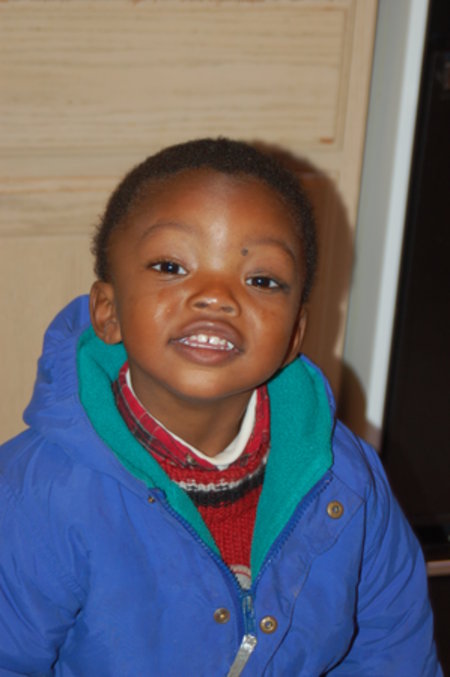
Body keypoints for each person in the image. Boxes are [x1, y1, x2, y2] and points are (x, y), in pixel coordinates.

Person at [0, 138, 441, 676]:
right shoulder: (34, 494)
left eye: (261, 280)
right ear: (108, 312)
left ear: (294, 334)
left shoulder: (347, 482)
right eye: (171, 266)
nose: (216, 296)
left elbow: (391, 650)